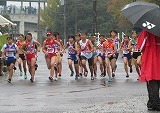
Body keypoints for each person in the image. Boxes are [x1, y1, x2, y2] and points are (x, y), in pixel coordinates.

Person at [137, 30, 160, 111]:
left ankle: (154, 103)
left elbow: (140, 45)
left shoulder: (147, 30)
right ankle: (152, 102)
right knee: (157, 79)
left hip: (150, 57)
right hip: (158, 57)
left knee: (151, 79)